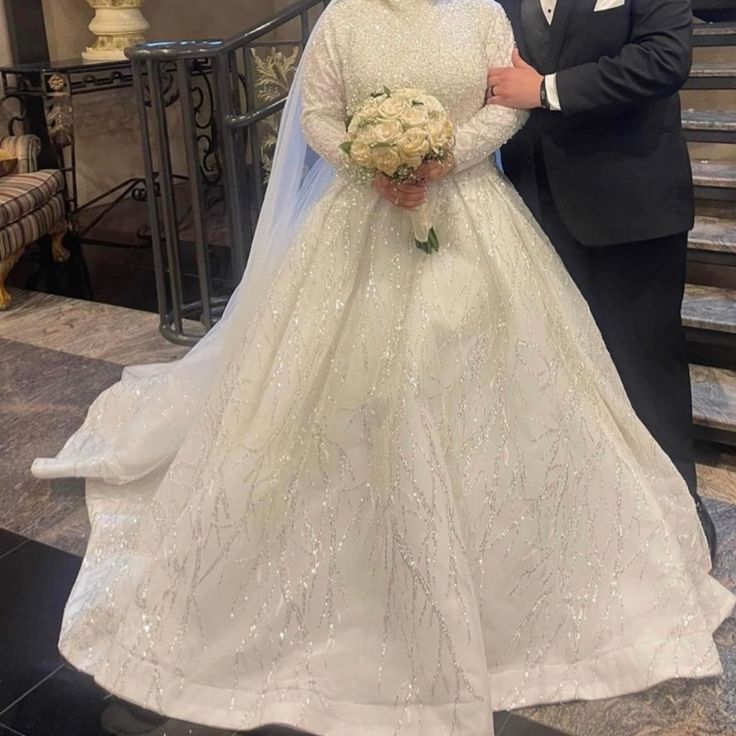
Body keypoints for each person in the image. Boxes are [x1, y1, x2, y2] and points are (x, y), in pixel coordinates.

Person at [31, 1, 734, 734]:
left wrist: (440, 159)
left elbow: (507, 97)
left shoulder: (483, 12)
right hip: (365, 217)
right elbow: (320, 115)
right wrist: (374, 163)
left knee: (558, 378)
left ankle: (641, 529)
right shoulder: (344, 19)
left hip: (481, 215)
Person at [488, 0, 717, 557]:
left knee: (644, 369)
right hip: (532, 206)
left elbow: (665, 58)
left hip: (631, 207)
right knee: (562, 368)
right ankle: (588, 518)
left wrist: (545, 90)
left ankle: (676, 522)